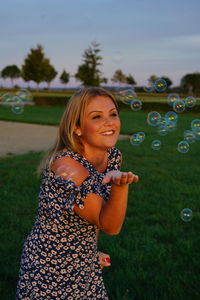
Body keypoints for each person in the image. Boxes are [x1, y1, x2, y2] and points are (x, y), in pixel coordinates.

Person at [16, 87, 139, 299]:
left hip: (84, 261)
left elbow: (95, 214)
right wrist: (120, 186)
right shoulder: (67, 168)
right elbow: (109, 224)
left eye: (113, 114)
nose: (109, 122)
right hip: (49, 268)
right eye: (96, 116)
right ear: (78, 128)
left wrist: (89, 252)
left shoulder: (112, 157)